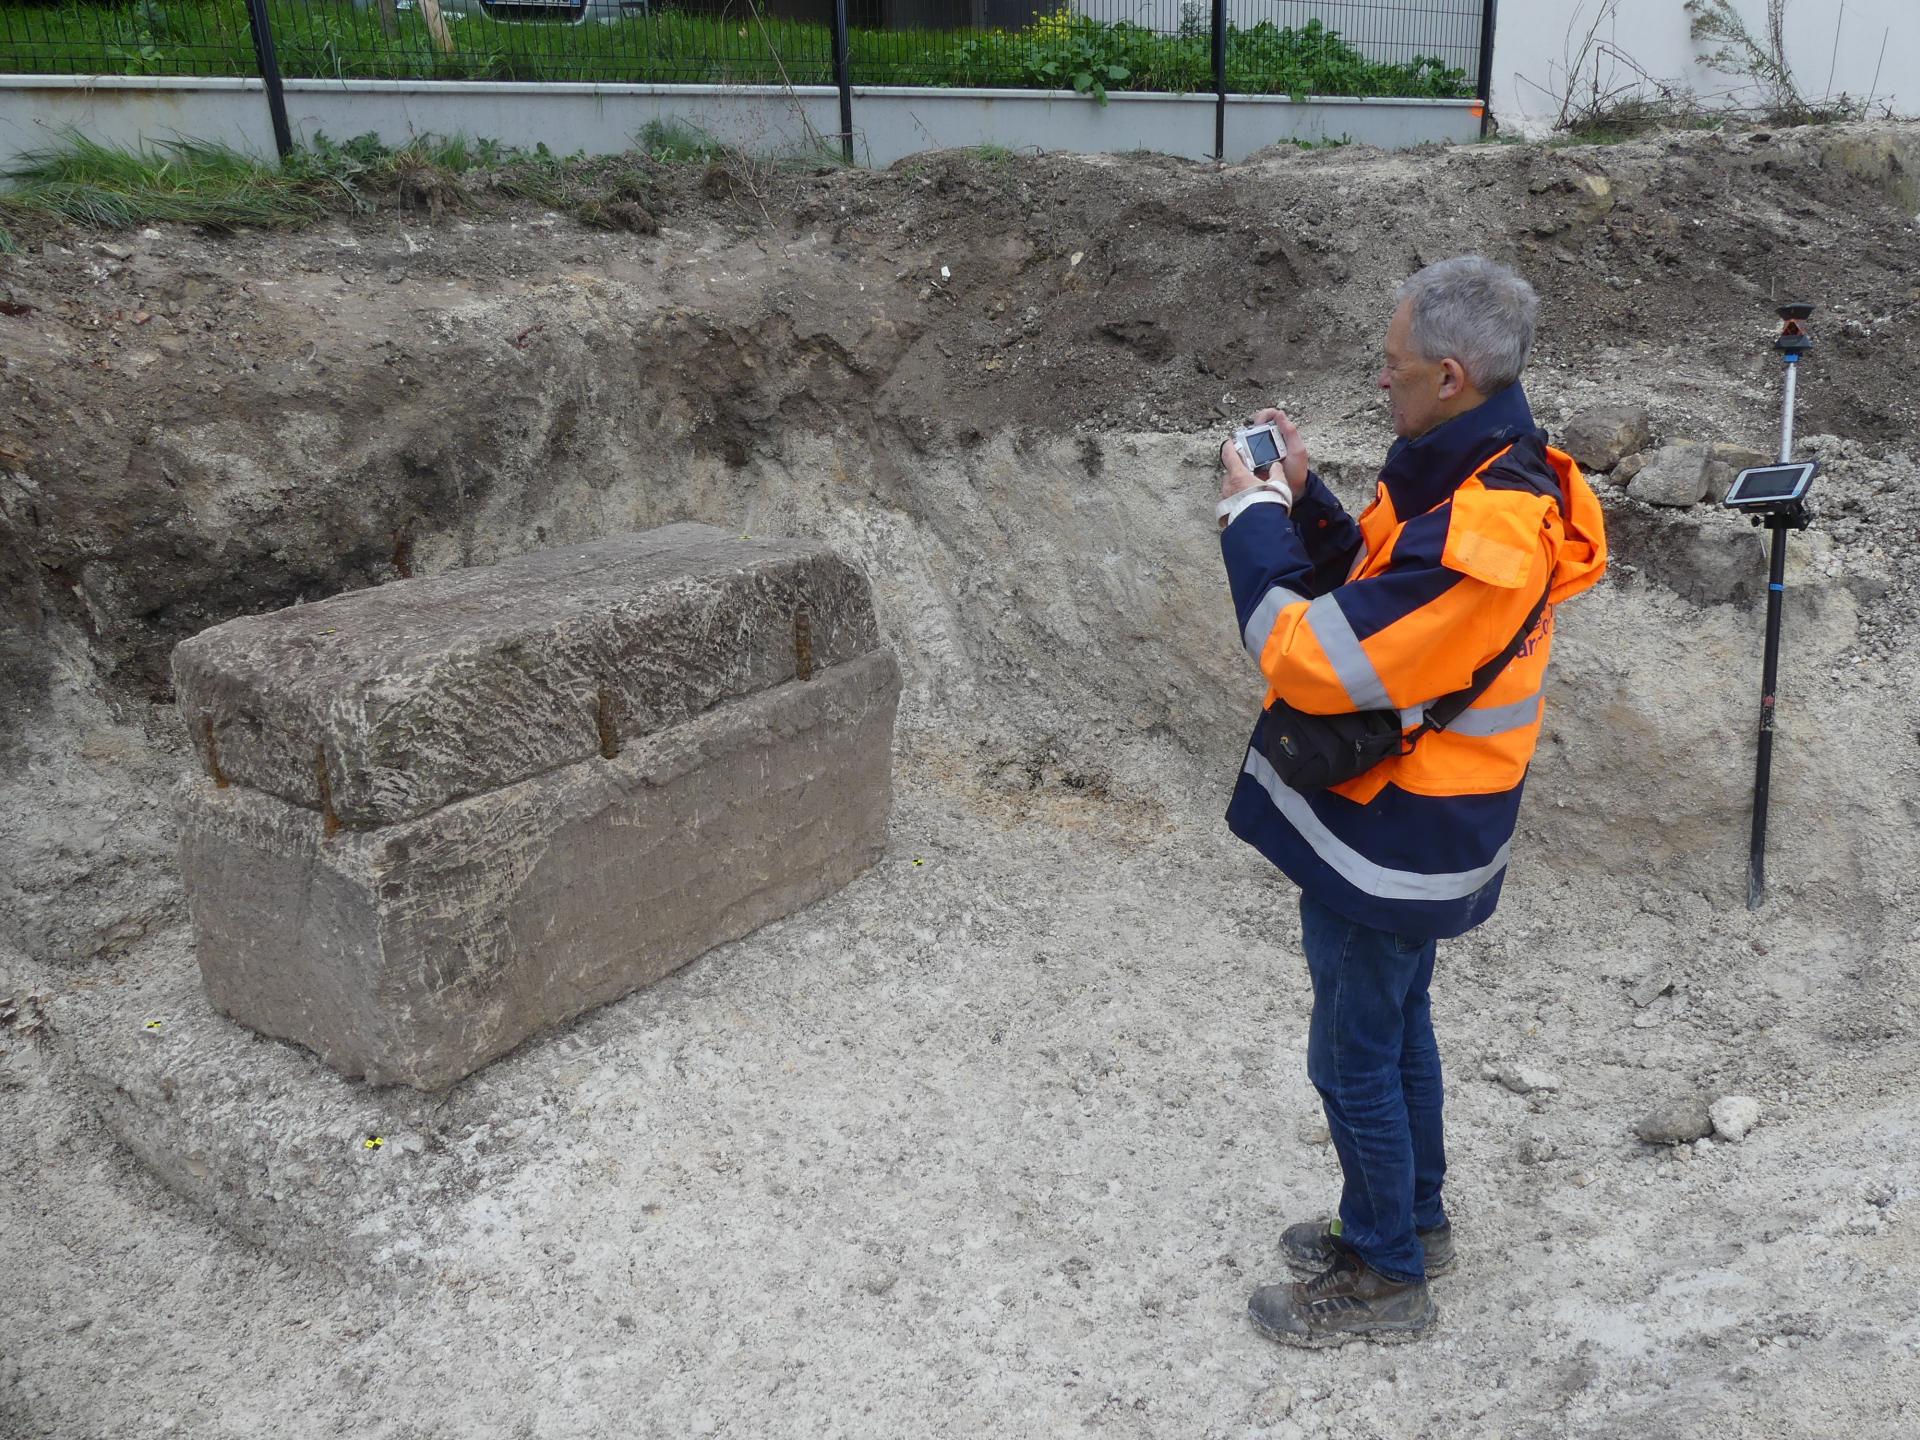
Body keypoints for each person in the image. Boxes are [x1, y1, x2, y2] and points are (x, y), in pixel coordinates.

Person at [1214, 256, 1608, 1347]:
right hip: (1424, 820)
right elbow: (1379, 580)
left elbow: (1309, 655)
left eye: (1389, 369)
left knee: (1352, 1054)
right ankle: (1410, 1220)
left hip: (1402, 832)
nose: (1377, 385)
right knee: (1396, 1029)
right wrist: (1304, 498)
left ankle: (1386, 1276)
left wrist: (1249, 520)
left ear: (1448, 374)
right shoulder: (1475, 463)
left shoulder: (1484, 529)